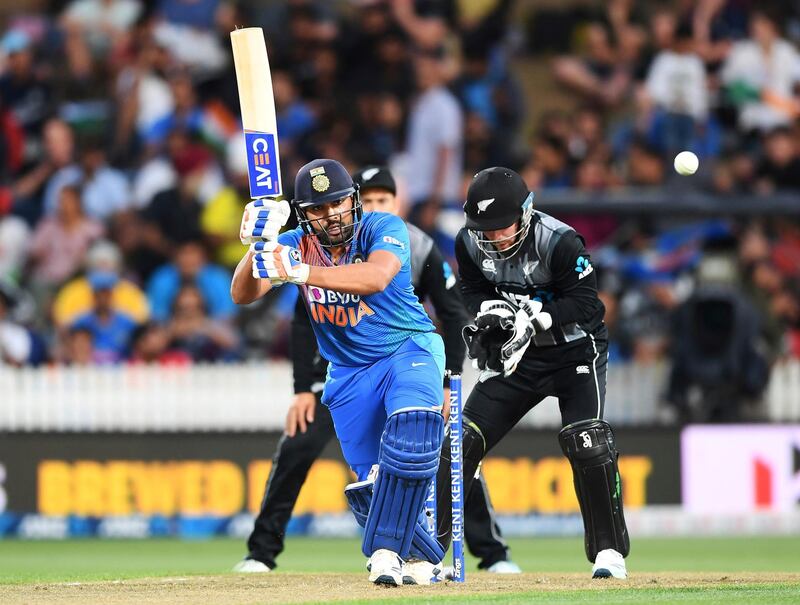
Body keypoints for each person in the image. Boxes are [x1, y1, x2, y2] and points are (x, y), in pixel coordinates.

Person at [235, 166, 520, 575]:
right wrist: (255, 248)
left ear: (353, 199)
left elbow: (376, 276)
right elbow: (243, 294)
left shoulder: (383, 226)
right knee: (374, 483)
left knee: (415, 431)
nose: (331, 214)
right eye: (318, 208)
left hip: (408, 350)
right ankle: (422, 558)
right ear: (303, 214)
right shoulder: (295, 242)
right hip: (348, 373)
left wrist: (299, 272)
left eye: (337, 202)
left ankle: (391, 552)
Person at [435, 167, 630, 580]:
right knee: (459, 442)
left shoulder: (560, 241)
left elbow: (588, 305)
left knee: (588, 443)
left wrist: (538, 316)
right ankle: (429, 551)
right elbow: (472, 290)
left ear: (525, 213)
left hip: (576, 351)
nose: (495, 238)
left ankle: (609, 554)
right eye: (485, 229)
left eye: (502, 228)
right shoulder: (470, 242)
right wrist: (495, 313)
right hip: (518, 357)